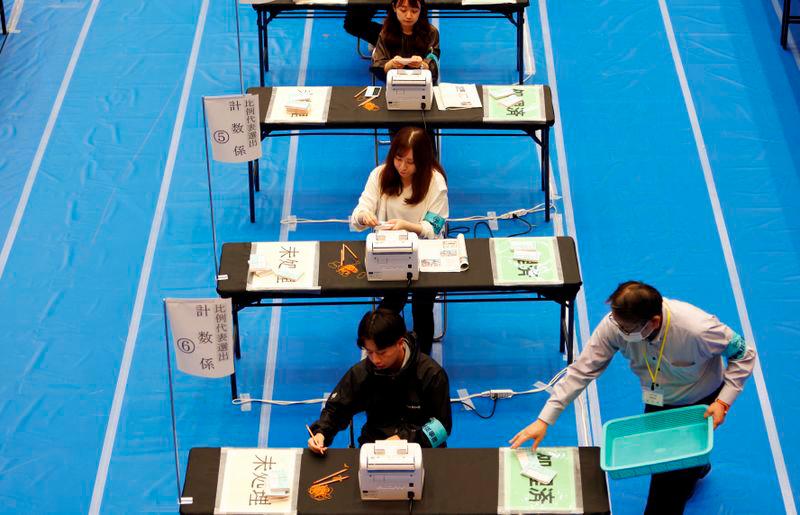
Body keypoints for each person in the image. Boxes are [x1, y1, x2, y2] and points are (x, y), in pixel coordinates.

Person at [509, 281, 756, 515]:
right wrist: (544, 420)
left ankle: (686, 475)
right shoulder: (615, 324)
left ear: (654, 321)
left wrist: (723, 401)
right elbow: (582, 371)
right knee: (669, 461)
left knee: (666, 488)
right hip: (657, 400)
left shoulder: (698, 329)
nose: (618, 331)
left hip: (700, 404)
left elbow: (744, 354)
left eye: (626, 329)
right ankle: (695, 467)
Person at [351, 126, 448, 355]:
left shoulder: (436, 183)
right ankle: (381, 352)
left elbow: (434, 227)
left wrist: (407, 226)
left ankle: (422, 359)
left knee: (422, 307)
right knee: (391, 304)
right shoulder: (380, 174)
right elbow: (359, 212)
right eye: (398, 158)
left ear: (423, 161)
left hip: (426, 254)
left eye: (410, 162)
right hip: (388, 254)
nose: (402, 167)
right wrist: (364, 217)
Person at [307, 309, 452, 452]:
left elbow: (442, 426)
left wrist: (404, 440)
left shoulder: (431, 374)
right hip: (375, 448)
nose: (375, 359)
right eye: (369, 352)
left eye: (382, 353)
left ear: (400, 343)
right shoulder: (362, 373)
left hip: (422, 450)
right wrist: (321, 433)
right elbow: (336, 409)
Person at [371, 0, 440, 83]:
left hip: (423, 84)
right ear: (394, 7)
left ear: (421, 9)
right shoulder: (385, 33)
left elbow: (433, 66)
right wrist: (391, 64)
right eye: (403, 10)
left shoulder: (431, 32)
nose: (408, 16)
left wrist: (422, 64)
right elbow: (378, 67)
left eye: (414, 11)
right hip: (395, 84)